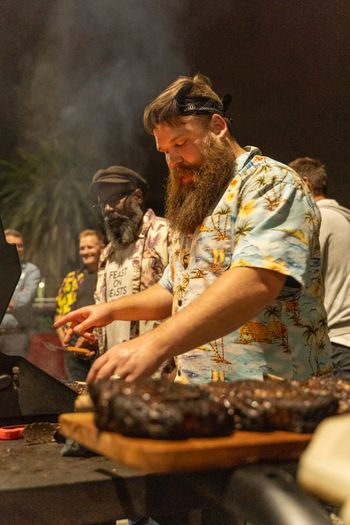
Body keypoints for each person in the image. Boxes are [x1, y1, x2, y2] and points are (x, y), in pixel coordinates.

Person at [55, 73, 332, 384]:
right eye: (164, 151)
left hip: (276, 391)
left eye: (181, 143)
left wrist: (154, 343)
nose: (173, 160)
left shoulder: (270, 183)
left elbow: (257, 280)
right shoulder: (199, 201)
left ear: (217, 127)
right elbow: (172, 291)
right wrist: (109, 310)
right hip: (202, 396)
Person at [89, 165, 171, 355]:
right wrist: (95, 337)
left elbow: (186, 301)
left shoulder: (167, 235)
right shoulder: (107, 254)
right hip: (117, 370)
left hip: (159, 369)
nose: (108, 209)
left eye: (115, 198)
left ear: (138, 196)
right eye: (102, 204)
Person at [289, 157, 350, 378]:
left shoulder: (318, 220)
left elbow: (297, 282)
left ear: (305, 184)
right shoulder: (343, 220)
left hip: (336, 346)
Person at [55, 229, 105, 380]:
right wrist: (65, 343)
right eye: (82, 248)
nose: (85, 251)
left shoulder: (107, 275)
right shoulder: (72, 278)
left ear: (102, 248)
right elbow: (59, 313)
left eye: (90, 247)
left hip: (100, 343)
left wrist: (94, 338)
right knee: (76, 389)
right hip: (74, 345)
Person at [0, 229, 41, 358]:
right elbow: (13, 301)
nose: (18, 249)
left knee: (12, 376)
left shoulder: (31, 270)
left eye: (20, 245)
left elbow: (23, 301)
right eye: (13, 245)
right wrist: (11, 300)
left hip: (15, 336)